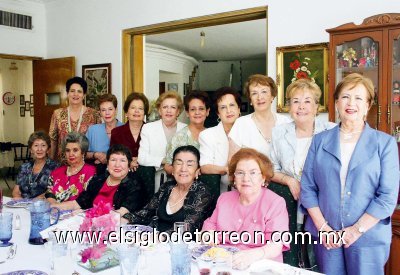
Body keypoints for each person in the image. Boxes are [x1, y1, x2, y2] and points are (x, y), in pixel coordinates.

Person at [300, 73, 399, 275]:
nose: (350, 103)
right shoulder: (319, 141)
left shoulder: (384, 143)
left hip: (368, 237)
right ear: (336, 102)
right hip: (327, 237)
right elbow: (308, 188)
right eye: (345, 96)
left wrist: (356, 230)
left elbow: (387, 196)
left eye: (358, 98)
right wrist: (324, 229)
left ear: (368, 105)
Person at [269, 79, 335, 267]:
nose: (301, 106)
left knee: (321, 257)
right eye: (295, 101)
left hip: (324, 205)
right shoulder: (279, 133)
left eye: (307, 101)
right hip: (292, 204)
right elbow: (271, 169)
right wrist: (290, 180)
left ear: (316, 106)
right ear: (289, 107)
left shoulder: (331, 130)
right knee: (297, 256)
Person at [202, 148, 289, 270]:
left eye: (253, 173)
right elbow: (210, 225)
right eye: (240, 173)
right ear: (234, 177)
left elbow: (276, 245)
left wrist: (252, 256)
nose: (246, 178)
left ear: (263, 178)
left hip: (260, 266)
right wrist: (208, 235)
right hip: (223, 264)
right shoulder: (224, 199)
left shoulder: (275, 203)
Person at [123, 145, 214, 235]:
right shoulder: (167, 187)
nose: (183, 169)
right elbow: (146, 211)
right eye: (179, 163)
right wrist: (123, 219)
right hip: (153, 241)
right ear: (173, 169)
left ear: (197, 171)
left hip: (181, 245)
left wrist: (157, 238)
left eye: (189, 164)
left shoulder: (202, 193)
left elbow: (188, 227)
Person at [51, 144, 144, 216]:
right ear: (107, 164)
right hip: (90, 223)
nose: (117, 165)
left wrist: (85, 214)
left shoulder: (134, 185)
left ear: (129, 165)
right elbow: (77, 203)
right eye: (113, 160)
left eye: (122, 160)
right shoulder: (98, 180)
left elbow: (120, 213)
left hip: (115, 228)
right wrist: (52, 207)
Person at [137, 91, 186, 201]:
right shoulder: (148, 128)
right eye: (165, 107)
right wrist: (165, 161)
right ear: (159, 110)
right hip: (155, 178)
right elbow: (141, 158)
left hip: (181, 176)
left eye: (173, 107)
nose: (168, 111)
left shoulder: (186, 129)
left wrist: (175, 166)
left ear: (178, 111)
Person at [229, 74, 291, 158]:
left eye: (264, 92)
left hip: (282, 171)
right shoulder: (241, 124)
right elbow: (232, 161)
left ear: (272, 96)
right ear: (250, 100)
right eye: (254, 93)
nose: (259, 97)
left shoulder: (286, 122)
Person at [199, 87, 241, 193]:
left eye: (232, 105)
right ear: (218, 113)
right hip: (221, 190)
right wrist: (226, 169)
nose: (228, 111)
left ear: (239, 109)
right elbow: (205, 167)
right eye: (223, 107)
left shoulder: (250, 131)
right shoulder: (207, 135)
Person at [49, 77, 101, 161]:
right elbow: (53, 141)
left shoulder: (94, 114)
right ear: (67, 93)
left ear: (84, 95)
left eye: (79, 91)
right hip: (62, 164)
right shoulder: (57, 114)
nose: (75, 94)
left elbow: (98, 141)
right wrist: (51, 162)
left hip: (86, 164)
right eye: (72, 91)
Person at [164, 90, 210, 174]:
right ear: (187, 113)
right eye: (193, 109)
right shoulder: (179, 137)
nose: (197, 112)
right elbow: (168, 166)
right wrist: (184, 173)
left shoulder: (212, 135)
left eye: (201, 109)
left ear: (207, 112)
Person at [45, 132, 96, 203]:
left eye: (75, 150)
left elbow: (88, 199)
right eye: (67, 150)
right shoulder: (56, 172)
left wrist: (59, 206)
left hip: (78, 213)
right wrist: (54, 205)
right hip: (55, 211)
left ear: (83, 152)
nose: (71, 154)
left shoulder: (91, 171)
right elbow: (49, 192)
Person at [13, 131, 58, 199]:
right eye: (36, 145)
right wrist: (20, 203)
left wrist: (31, 203)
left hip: (42, 206)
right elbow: (16, 192)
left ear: (48, 149)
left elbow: (53, 192)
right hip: (22, 205)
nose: (39, 149)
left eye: (43, 145)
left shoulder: (55, 167)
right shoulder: (24, 167)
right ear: (31, 149)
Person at [110, 92, 149, 171]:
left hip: (146, 175)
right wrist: (128, 162)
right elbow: (112, 156)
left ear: (144, 113)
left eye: (140, 108)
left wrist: (140, 159)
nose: (136, 111)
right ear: (126, 112)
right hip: (122, 174)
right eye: (133, 108)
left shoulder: (151, 131)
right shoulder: (116, 132)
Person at [86, 94, 123, 173]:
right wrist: (96, 155)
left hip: (121, 173)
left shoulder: (125, 129)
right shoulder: (92, 130)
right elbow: (83, 153)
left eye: (110, 109)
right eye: (103, 110)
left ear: (116, 110)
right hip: (97, 173)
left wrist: (109, 159)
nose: (107, 113)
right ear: (100, 112)